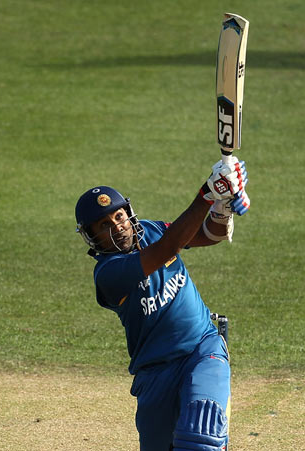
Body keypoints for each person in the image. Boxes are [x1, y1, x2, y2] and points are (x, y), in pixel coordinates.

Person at [75, 157, 250, 451]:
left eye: (118, 217)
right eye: (104, 225)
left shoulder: (152, 230)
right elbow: (169, 247)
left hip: (201, 348)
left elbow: (209, 235)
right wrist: (208, 194)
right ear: (92, 238)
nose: (117, 227)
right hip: (155, 374)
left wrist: (221, 209)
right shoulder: (109, 273)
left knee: (201, 438)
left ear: (129, 214)